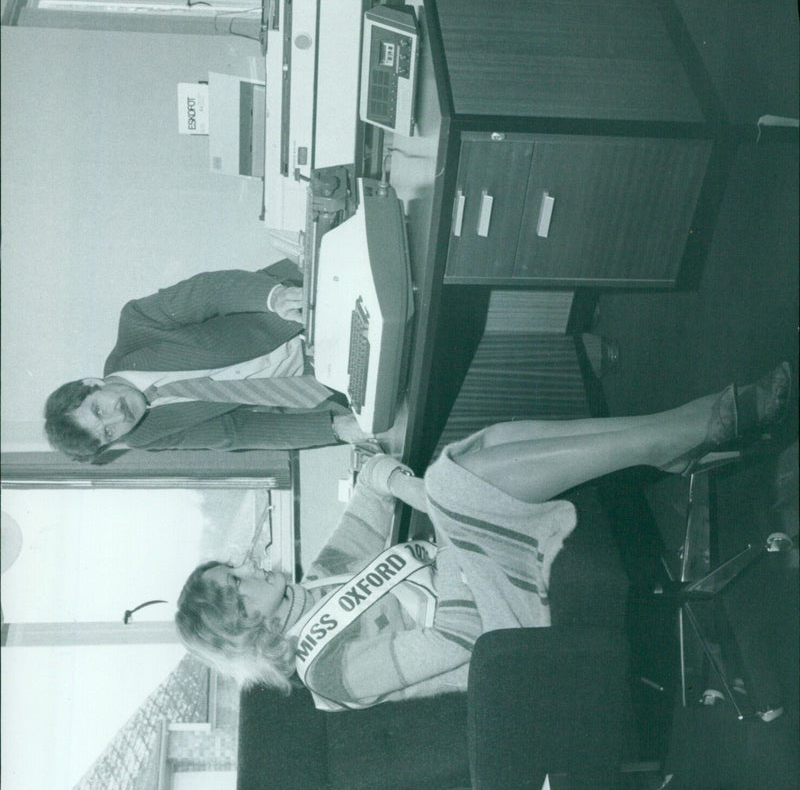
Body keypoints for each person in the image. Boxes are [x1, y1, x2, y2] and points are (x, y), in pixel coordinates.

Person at [175, 363, 791, 709]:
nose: (252, 569)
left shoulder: (323, 579)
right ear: (244, 628)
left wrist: (403, 483)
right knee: (453, 481)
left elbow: (369, 482)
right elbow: (461, 638)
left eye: (237, 566)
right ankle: (682, 433)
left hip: (477, 574)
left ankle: (675, 438)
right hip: (503, 638)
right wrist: (444, 516)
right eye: (239, 586)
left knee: (476, 456)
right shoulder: (330, 673)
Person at [44, 262, 373, 462]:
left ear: (91, 384)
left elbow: (208, 293)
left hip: (301, 306)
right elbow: (235, 432)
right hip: (317, 379)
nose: (119, 418)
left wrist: (274, 298)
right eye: (108, 433)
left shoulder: (137, 324)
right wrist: (334, 428)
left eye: (99, 410)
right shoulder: (145, 436)